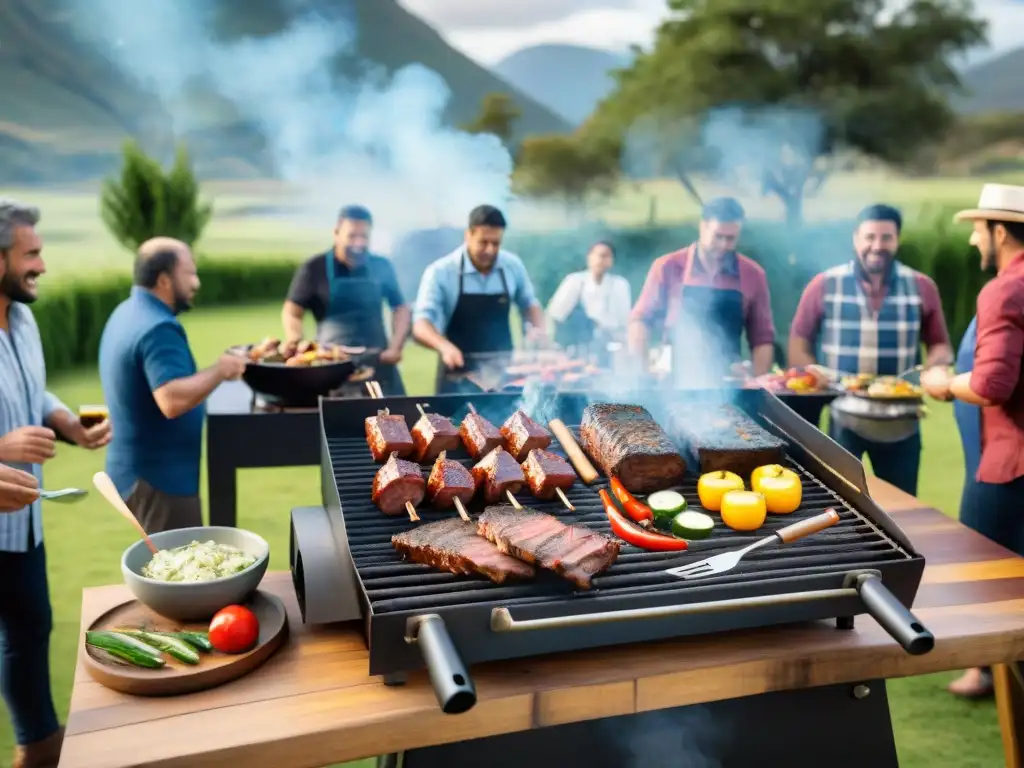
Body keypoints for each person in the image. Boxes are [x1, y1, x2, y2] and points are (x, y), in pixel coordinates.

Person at [0, 199, 111, 768]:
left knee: (30, 628)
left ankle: (38, 745)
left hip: (21, 521)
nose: (42, 264)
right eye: (32, 253)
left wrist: (65, 423)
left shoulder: (22, 320)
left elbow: (36, 394)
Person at [789, 204, 954, 496]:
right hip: (844, 419)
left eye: (886, 238)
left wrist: (936, 368)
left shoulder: (921, 286)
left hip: (902, 422)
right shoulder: (824, 285)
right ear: (856, 238)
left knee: (901, 510)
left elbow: (939, 343)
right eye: (870, 237)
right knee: (842, 505)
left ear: (897, 240)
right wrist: (816, 374)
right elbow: (799, 342)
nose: (877, 246)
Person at [932, 184, 1024, 696]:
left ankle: (994, 679)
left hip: (1010, 466)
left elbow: (992, 386)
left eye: (977, 227)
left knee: (995, 586)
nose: (972, 239)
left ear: (1001, 231)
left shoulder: (1006, 289)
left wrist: (942, 384)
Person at [99, 237, 247, 534]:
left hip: (134, 472)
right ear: (164, 280)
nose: (196, 282)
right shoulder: (158, 327)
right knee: (181, 574)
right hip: (159, 482)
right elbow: (171, 400)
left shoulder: (126, 312)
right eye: (189, 273)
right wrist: (221, 369)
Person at [629, 197, 776, 386]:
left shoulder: (753, 274)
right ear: (703, 227)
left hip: (728, 383)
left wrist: (757, 383)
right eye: (718, 236)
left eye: (731, 238)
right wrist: (643, 371)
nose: (724, 245)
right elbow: (640, 321)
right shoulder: (668, 266)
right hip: (672, 382)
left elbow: (762, 338)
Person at [413, 205, 546, 394]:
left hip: (504, 374)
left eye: (496, 243)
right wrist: (444, 347)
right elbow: (421, 325)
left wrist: (537, 331)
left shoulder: (512, 265)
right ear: (468, 235)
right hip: (457, 376)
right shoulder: (441, 272)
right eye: (483, 242)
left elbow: (529, 304)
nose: (490, 250)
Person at [282, 205, 410, 395]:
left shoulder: (381, 265)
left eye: (364, 237)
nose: (358, 243)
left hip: (379, 364)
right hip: (330, 367)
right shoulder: (314, 268)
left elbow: (401, 308)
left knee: (395, 420)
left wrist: (396, 346)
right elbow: (292, 310)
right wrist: (295, 338)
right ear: (336, 233)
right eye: (352, 236)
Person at [546, 240, 632, 359]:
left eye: (606, 256)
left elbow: (624, 322)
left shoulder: (620, 284)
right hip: (579, 344)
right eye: (598, 255)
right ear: (589, 258)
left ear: (611, 261)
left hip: (610, 344)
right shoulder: (574, 281)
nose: (601, 260)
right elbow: (556, 314)